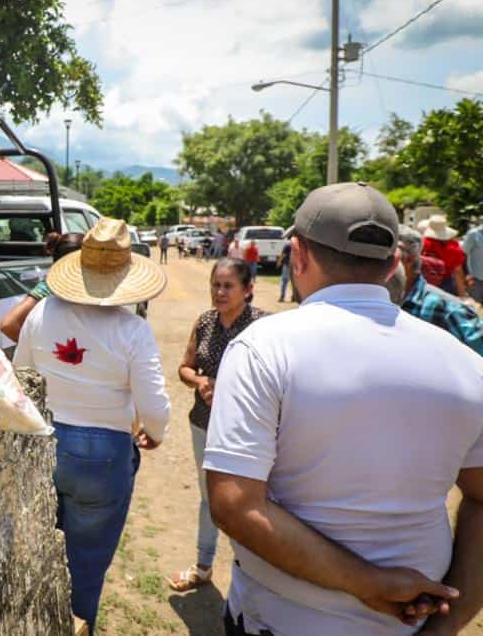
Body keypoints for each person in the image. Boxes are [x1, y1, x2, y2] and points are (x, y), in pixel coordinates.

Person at [204, 182, 483, 635]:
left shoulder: (264, 348)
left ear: (297, 256)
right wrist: (445, 627)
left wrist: (367, 583)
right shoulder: (465, 364)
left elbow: (235, 505)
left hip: (277, 621)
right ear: (395, 263)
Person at [13, 218, 170, 634]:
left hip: (45, 442)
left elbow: (22, 376)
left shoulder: (43, 312)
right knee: (85, 566)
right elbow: (154, 405)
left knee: (39, 554)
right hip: (103, 455)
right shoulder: (132, 330)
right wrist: (154, 432)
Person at [167, 258, 265, 593]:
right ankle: (204, 566)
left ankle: (254, 572)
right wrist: (200, 382)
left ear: (248, 289)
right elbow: (184, 367)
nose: (219, 292)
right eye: (215, 285)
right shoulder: (205, 322)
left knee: (253, 500)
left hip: (248, 430)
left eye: (228, 286)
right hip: (204, 424)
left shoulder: (263, 326)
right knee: (211, 497)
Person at [393, 225, 483, 356]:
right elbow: (457, 269)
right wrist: (462, 292)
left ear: (409, 260)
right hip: (447, 284)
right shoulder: (454, 245)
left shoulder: (449, 310)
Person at [0, 232, 85, 342]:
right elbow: (8, 325)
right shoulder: (49, 287)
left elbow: (8, 325)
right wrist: (36, 347)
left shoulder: (47, 286)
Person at [421, 215, 467, 297]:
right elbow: (458, 272)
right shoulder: (454, 248)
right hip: (446, 283)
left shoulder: (422, 244)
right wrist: (462, 294)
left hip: (424, 281)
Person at [461, 220, 483, 304]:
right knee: (475, 307)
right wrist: (467, 275)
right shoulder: (473, 234)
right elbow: (462, 255)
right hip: (476, 278)